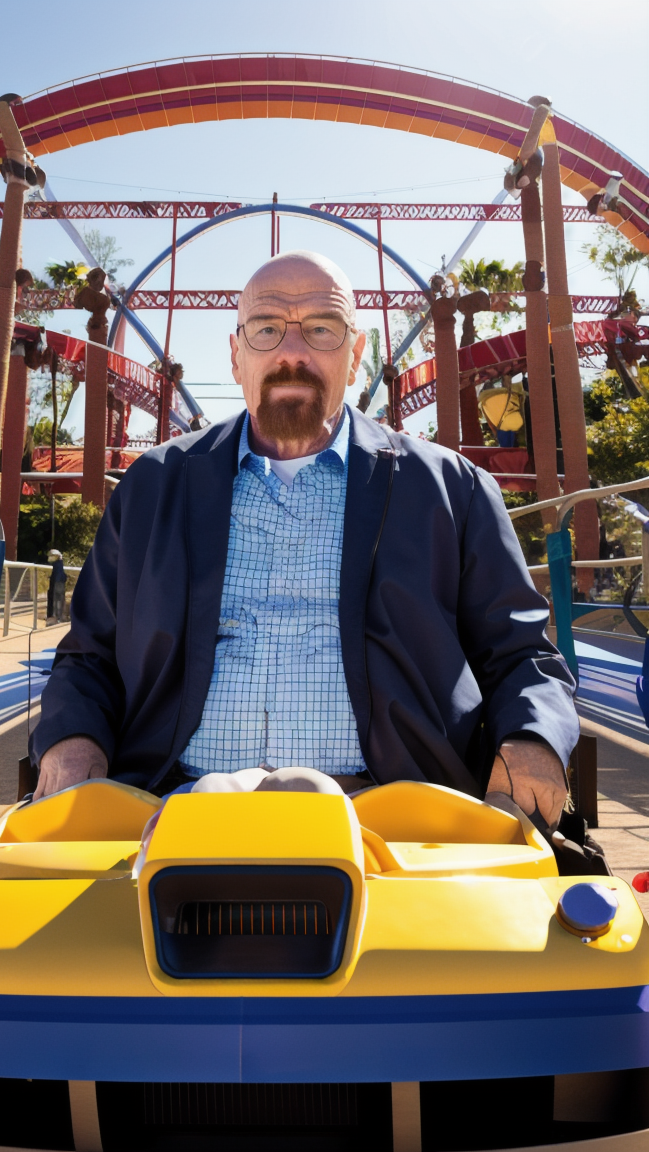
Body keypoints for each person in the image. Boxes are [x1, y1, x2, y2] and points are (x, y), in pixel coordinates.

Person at [30, 251, 578, 829]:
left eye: (321, 328)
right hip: (171, 803)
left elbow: (522, 655)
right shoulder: (154, 486)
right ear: (237, 355)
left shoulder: (450, 490)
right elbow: (88, 656)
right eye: (266, 329)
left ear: (356, 355)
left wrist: (532, 738)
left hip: (393, 814)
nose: (292, 352)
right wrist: (73, 735)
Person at [46, 549, 67, 624]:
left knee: (57, 600)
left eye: (52, 556)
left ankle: (57, 617)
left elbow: (59, 576)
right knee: (57, 599)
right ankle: (57, 617)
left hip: (58, 584)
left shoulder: (58, 565)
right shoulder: (57, 565)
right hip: (57, 583)